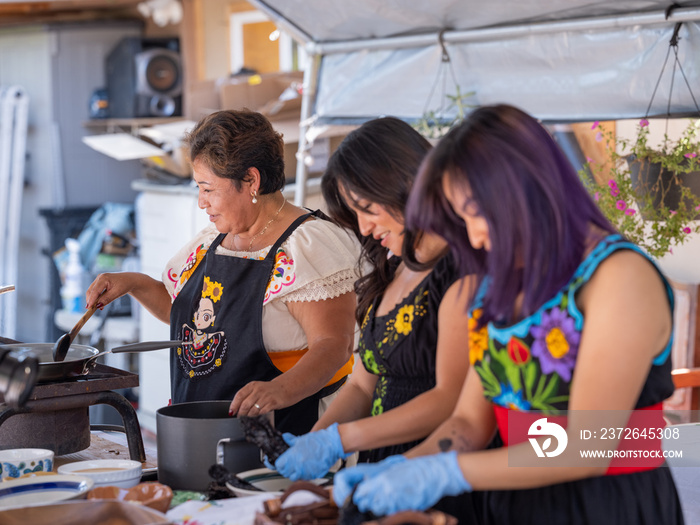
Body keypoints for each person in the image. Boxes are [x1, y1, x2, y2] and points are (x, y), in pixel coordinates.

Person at [333, 104, 684, 525]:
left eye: (477, 213)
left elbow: (586, 447)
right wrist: (399, 469)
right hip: (509, 503)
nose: (475, 236)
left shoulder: (619, 276)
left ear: (526, 188)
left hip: (602, 507)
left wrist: (446, 471)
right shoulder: (497, 282)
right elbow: (467, 422)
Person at [86, 110, 361, 435]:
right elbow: (195, 317)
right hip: (206, 432)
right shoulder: (213, 241)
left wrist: (279, 390)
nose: (201, 202)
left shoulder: (304, 248)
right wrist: (134, 283)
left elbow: (332, 344)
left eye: (208, 188)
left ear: (251, 181)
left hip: (286, 430)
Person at [268, 117, 477, 519]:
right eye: (354, 214)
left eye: (367, 209)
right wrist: (316, 443)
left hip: (434, 467)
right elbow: (364, 384)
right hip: (379, 466)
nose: (364, 227)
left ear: (405, 182)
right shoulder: (393, 266)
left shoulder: (461, 271)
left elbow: (451, 398)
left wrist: (340, 440)